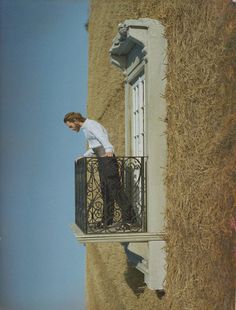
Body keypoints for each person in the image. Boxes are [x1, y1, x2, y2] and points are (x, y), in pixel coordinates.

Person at [64, 112, 133, 229]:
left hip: (107, 159)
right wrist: (84, 156)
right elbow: (94, 147)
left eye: (70, 126)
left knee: (115, 190)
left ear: (75, 120)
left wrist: (109, 148)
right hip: (102, 160)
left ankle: (130, 220)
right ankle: (107, 221)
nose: (71, 129)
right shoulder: (86, 128)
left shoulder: (91, 125)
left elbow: (102, 137)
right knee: (105, 191)